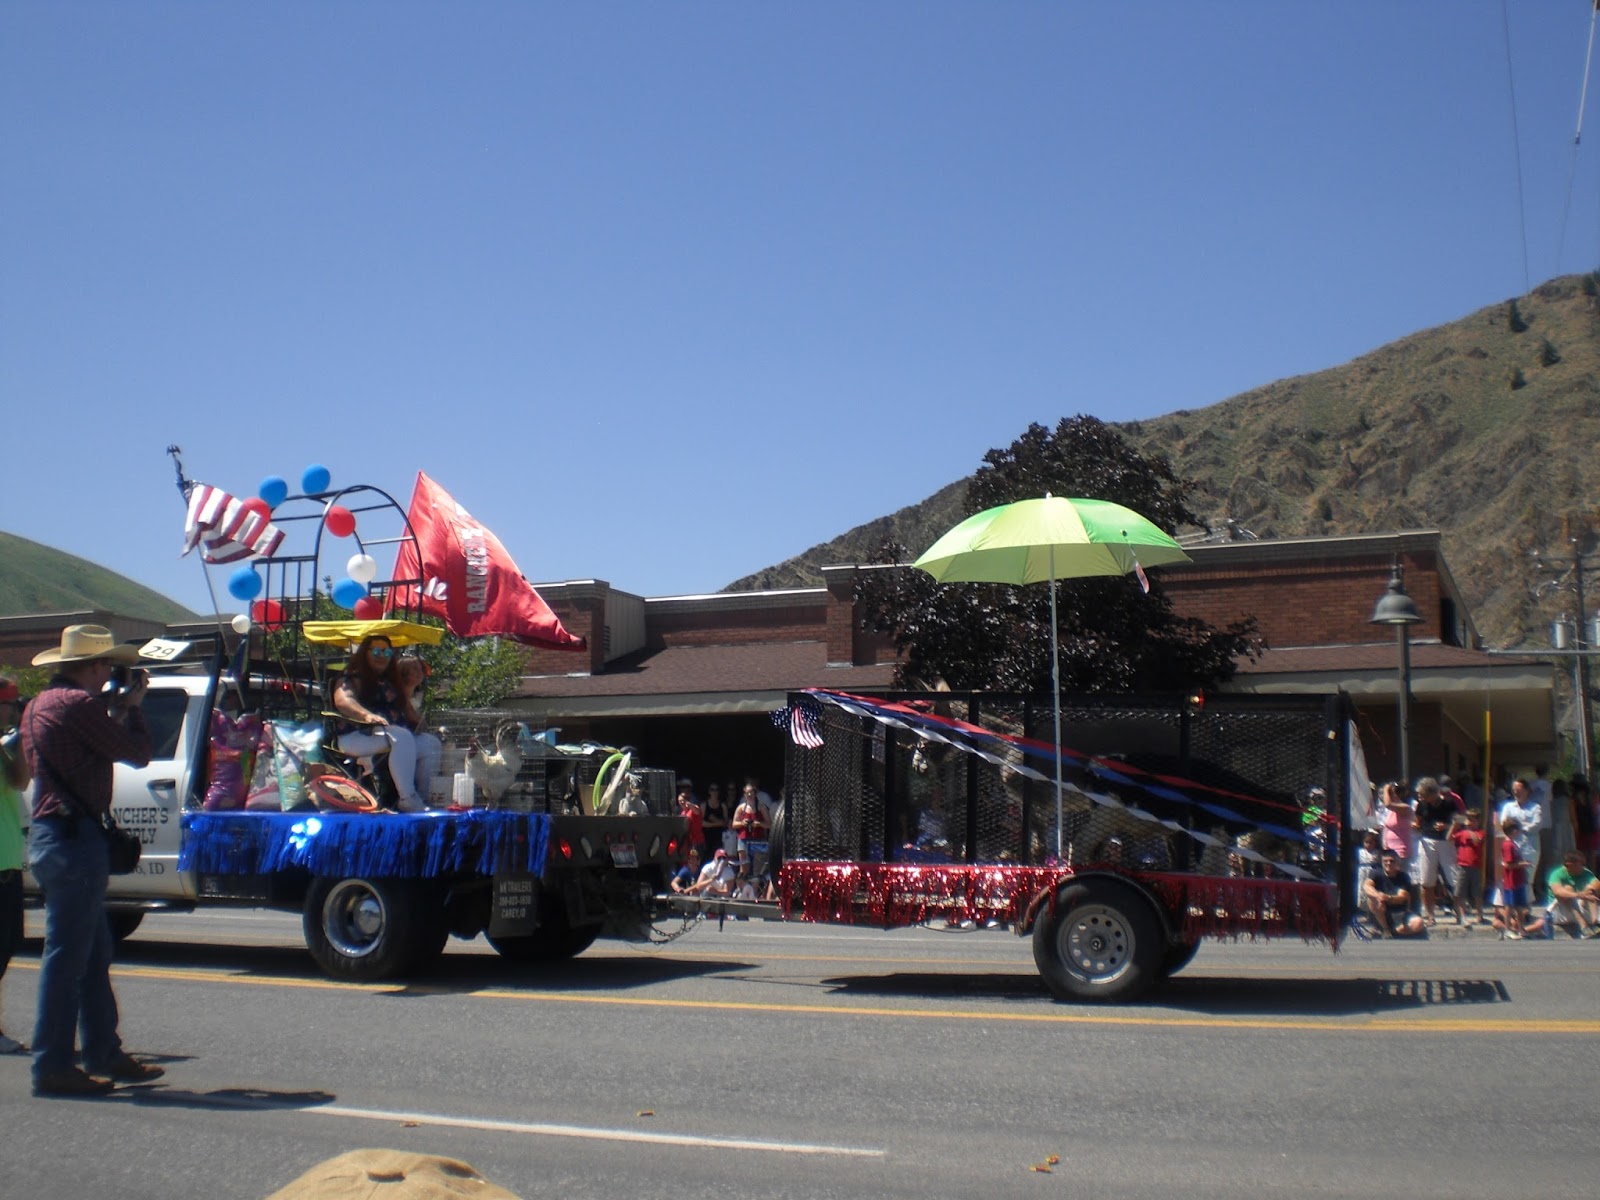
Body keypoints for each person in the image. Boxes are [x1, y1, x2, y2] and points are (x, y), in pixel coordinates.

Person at [20, 625, 166, 1096]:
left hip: (52, 835)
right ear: (96, 665)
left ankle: (103, 1051)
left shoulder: (39, 705)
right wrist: (135, 710)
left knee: (92, 951)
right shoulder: (80, 705)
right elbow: (137, 754)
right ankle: (53, 1065)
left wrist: (117, 707)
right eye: (107, 665)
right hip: (75, 838)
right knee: (68, 959)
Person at [333, 634, 434, 812]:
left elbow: (408, 712)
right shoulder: (350, 678)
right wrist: (366, 716)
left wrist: (421, 723)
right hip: (356, 737)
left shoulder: (389, 683)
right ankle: (407, 798)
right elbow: (343, 701)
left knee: (430, 743)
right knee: (401, 736)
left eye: (387, 652)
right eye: (377, 651)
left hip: (389, 737)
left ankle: (422, 797)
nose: (382, 656)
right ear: (365, 653)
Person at [0, 677, 30, 1056]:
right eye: (8, 704)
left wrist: (17, 748)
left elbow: (21, 782)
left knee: (7, 946)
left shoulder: (5, 745)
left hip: (8, 860)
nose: (13, 710)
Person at [1411, 776, 1463, 925]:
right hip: (1427, 841)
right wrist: (1414, 826)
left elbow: (1459, 820)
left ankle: (1459, 912)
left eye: (1423, 794)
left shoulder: (1449, 803)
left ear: (1432, 793)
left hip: (1446, 841)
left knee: (1453, 878)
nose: (1420, 797)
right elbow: (1418, 822)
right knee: (1427, 880)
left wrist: (1447, 827)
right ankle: (1430, 914)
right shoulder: (1421, 805)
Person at [1496, 778, 1543, 903]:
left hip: (1530, 847)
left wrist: (1518, 827)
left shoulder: (1535, 807)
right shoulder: (1508, 806)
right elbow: (1504, 823)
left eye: (1519, 790)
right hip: (1511, 847)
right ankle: (1514, 909)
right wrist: (1521, 826)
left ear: (1527, 791)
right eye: (1514, 790)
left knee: (1527, 879)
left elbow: (1537, 824)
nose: (1516, 792)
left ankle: (1525, 908)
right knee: (1511, 878)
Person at [1362, 849, 1425, 938]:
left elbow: (1402, 897)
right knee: (1371, 898)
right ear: (1381, 862)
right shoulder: (1375, 873)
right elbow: (1366, 886)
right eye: (1385, 861)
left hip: (1400, 912)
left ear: (1397, 862)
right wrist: (1378, 896)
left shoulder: (1403, 877)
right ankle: (1385, 929)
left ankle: (1392, 931)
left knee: (1418, 923)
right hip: (1381, 912)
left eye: (1392, 861)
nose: (1388, 863)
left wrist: (1387, 898)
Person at [1544, 850, 1600, 938]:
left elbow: (1597, 883)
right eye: (1580, 864)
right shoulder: (1557, 874)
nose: (1582, 866)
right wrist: (1579, 895)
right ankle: (1583, 926)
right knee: (1567, 889)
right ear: (1569, 865)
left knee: (1591, 891)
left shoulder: (1585, 872)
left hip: (1578, 907)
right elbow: (1557, 891)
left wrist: (1588, 891)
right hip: (1559, 911)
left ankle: (1595, 923)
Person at [1449, 808, 1489, 925]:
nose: (1470, 822)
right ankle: (1462, 916)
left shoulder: (1480, 832)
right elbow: (1449, 838)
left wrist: (1468, 828)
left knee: (1477, 893)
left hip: (1476, 866)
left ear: (1477, 821)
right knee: (1461, 893)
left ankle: (1479, 914)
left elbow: (1477, 841)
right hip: (1462, 866)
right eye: (1468, 819)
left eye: (1472, 820)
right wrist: (1454, 826)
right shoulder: (1461, 833)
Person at [1496, 816, 1532, 940]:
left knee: (1519, 906)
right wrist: (1524, 864)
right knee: (1509, 906)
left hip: (1518, 880)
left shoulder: (1513, 844)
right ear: (1514, 830)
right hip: (1511, 881)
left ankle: (1521, 929)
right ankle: (1507, 929)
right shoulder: (1508, 846)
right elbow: (1508, 864)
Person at [1378, 782, 1414, 864]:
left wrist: (1386, 789)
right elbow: (1386, 827)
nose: (1388, 796)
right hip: (1389, 851)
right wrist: (1385, 845)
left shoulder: (1405, 808)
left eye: (1391, 793)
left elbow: (1388, 804)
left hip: (1401, 852)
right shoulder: (1390, 811)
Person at [701, 782, 730, 859]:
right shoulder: (704, 805)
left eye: (716, 790)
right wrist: (717, 823)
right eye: (712, 789)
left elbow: (725, 823)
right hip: (707, 837)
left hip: (720, 838)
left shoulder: (723, 806)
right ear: (709, 791)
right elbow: (701, 823)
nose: (714, 792)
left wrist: (713, 819)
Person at [676, 780, 703, 849]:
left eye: (682, 801)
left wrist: (688, 803)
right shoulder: (683, 813)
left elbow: (697, 811)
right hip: (689, 842)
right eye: (679, 801)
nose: (681, 803)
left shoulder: (693, 809)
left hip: (697, 842)